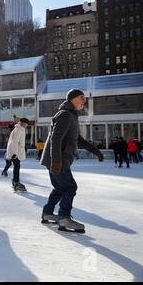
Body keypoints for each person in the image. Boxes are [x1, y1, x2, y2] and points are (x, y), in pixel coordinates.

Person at [40, 89, 104, 233]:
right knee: (69, 188)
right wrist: (56, 162)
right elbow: (55, 139)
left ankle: (48, 213)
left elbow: (78, 140)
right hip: (58, 159)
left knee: (60, 188)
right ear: (73, 99)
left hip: (55, 158)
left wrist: (96, 152)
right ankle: (64, 218)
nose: (84, 101)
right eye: (82, 98)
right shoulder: (66, 114)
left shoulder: (71, 115)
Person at [6, 118, 29, 193]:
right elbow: (15, 142)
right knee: (17, 166)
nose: (27, 125)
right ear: (22, 123)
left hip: (16, 151)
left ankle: (15, 181)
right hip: (15, 152)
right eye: (26, 123)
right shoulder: (19, 130)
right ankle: (16, 182)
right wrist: (15, 153)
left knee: (16, 166)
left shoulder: (18, 129)